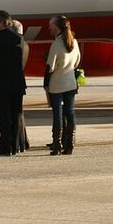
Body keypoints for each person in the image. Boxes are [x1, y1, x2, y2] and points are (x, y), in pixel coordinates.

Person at [0, 10, 26, 156]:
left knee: (3, 116)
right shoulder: (18, 38)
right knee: (16, 115)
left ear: (3, 23)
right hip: (17, 83)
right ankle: (14, 146)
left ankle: (5, 147)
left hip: (2, 84)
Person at [46, 15, 81, 156]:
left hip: (56, 84)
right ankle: (70, 143)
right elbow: (77, 62)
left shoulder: (56, 44)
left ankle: (57, 144)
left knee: (58, 114)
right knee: (70, 112)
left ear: (57, 27)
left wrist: (46, 82)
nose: (49, 27)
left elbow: (50, 66)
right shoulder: (74, 42)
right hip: (70, 82)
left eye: (51, 25)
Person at [9, 19, 31, 153]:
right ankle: (22, 141)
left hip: (11, 81)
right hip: (20, 81)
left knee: (12, 114)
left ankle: (15, 141)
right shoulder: (25, 45)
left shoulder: (16, 44)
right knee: (19, 113)